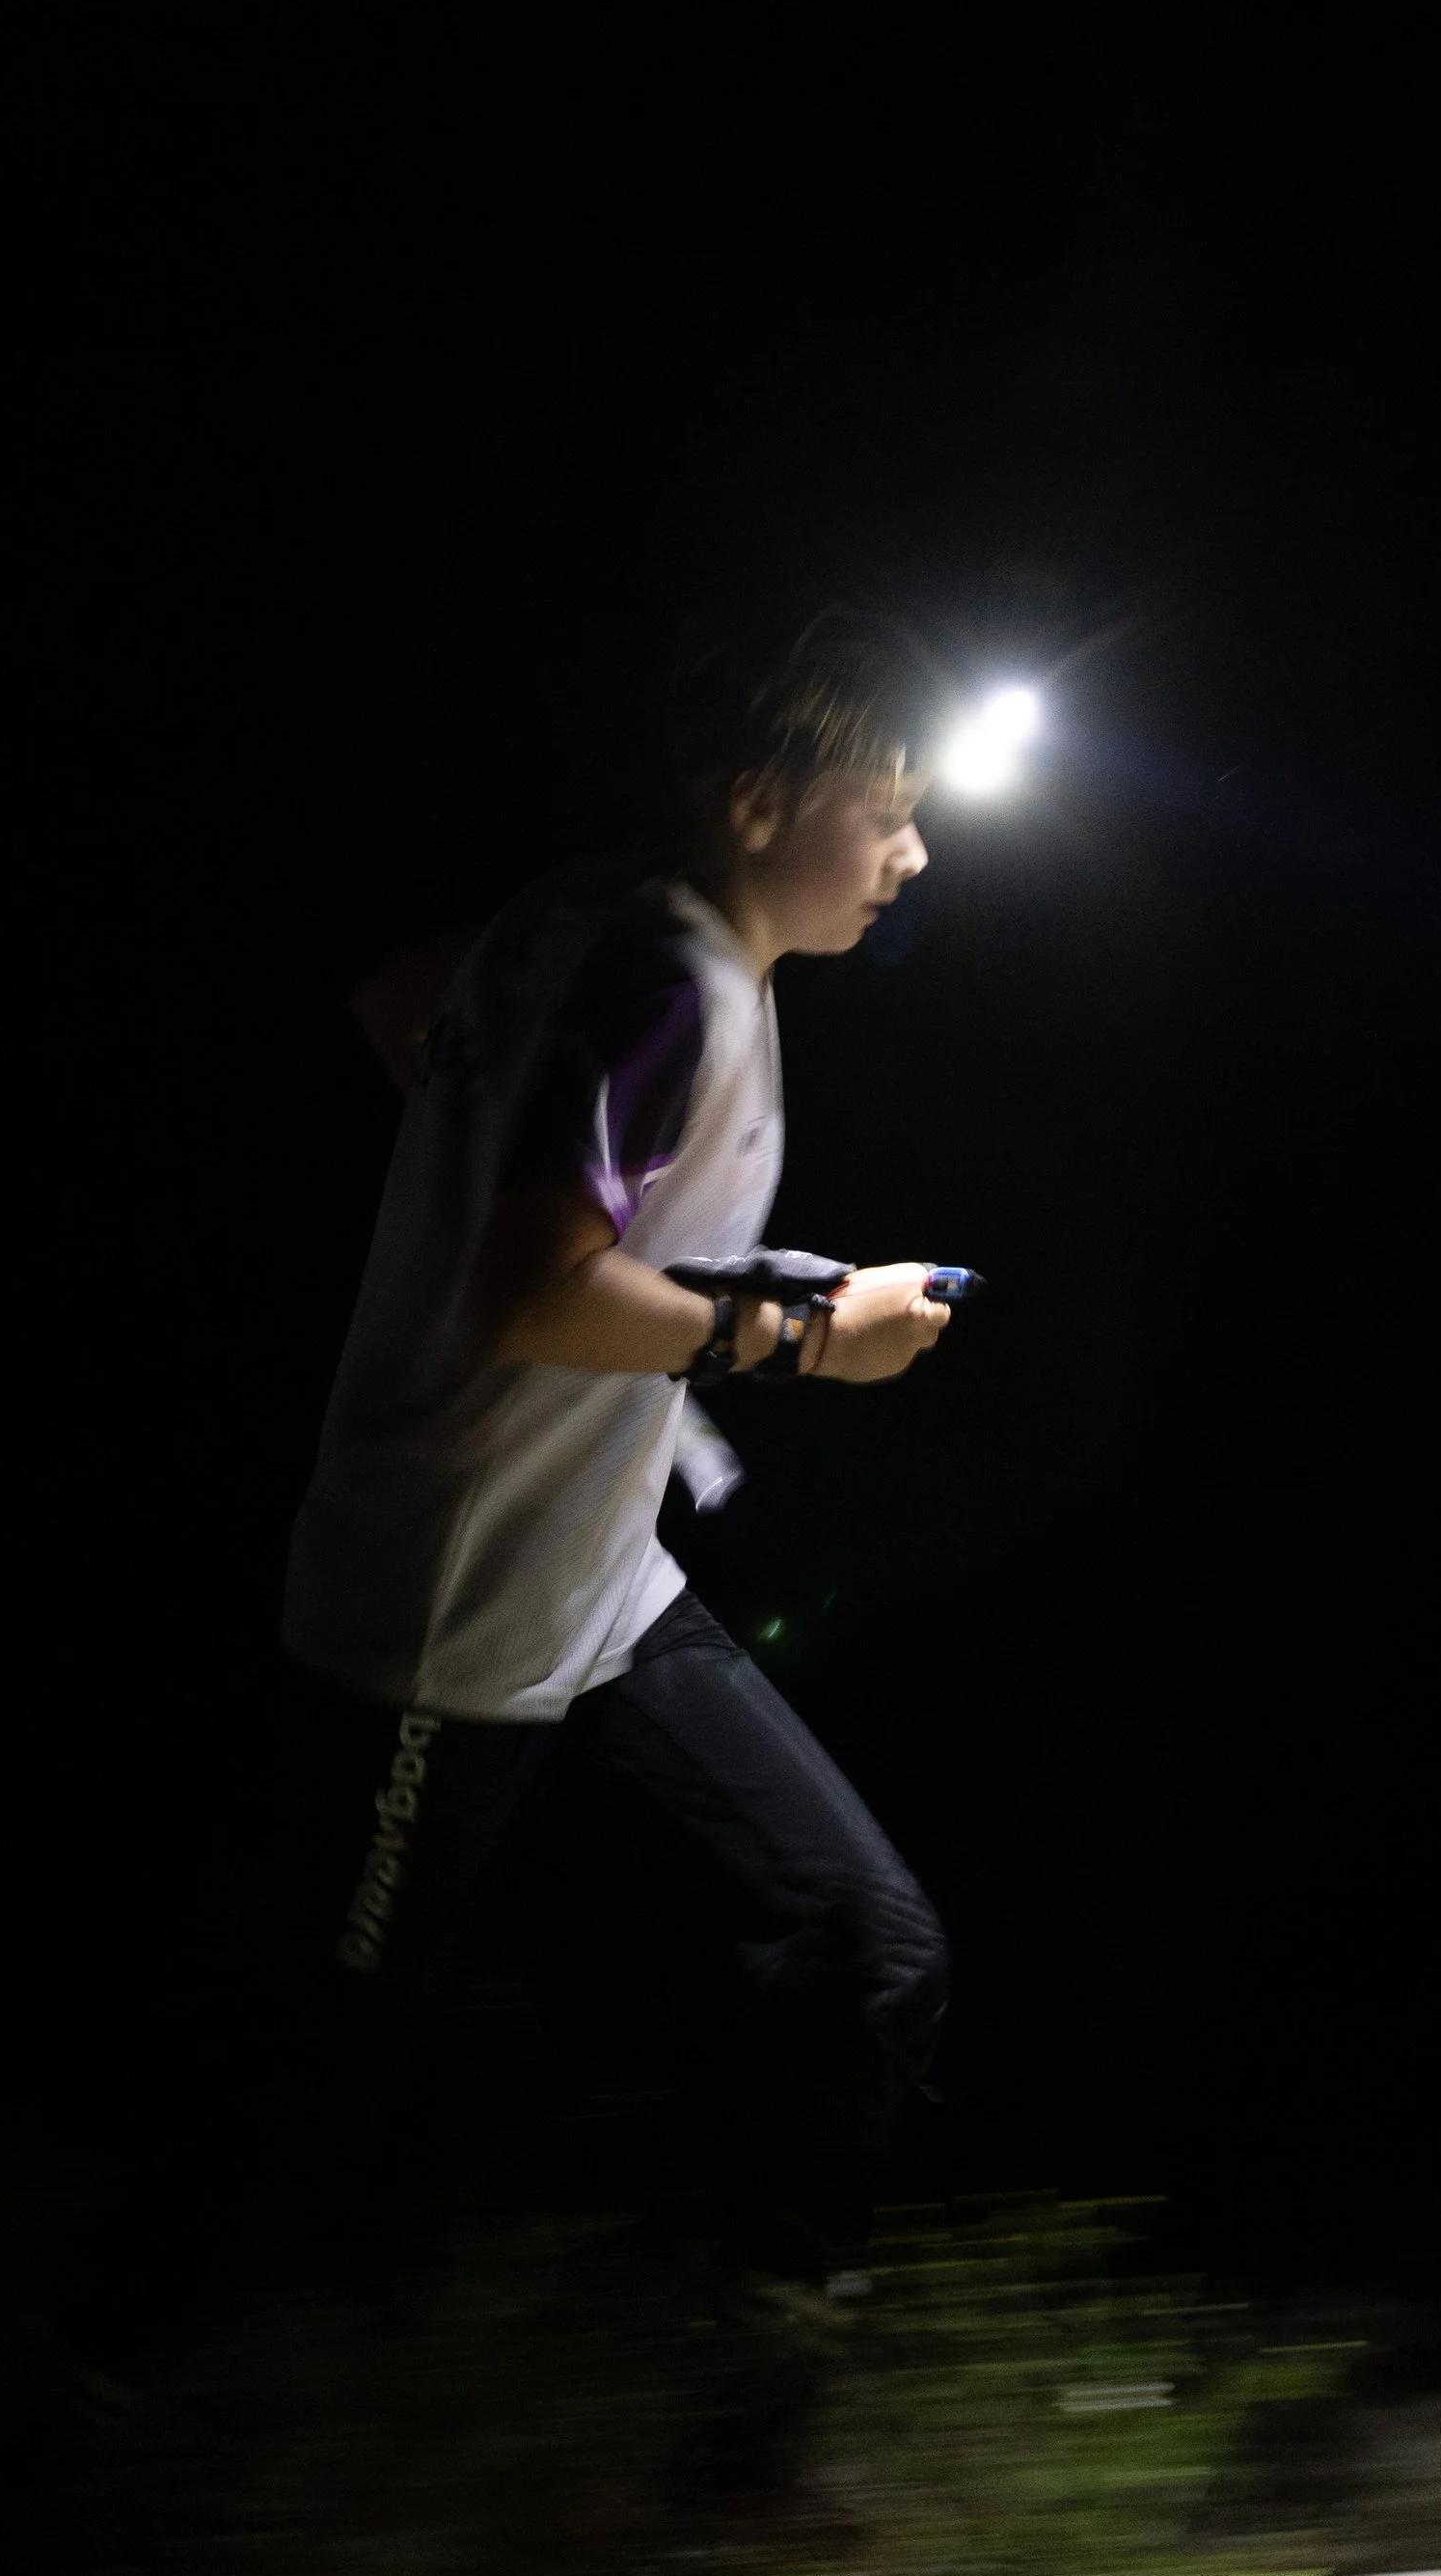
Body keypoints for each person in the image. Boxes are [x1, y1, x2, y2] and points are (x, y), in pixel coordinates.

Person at [271, 627, 957, 2325]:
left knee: (872, 1946)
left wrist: (724, 1274)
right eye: (884, 811)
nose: (913, 854)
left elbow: (410, 1002)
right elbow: (526, 1294)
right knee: (294, 2114)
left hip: (601, 1582)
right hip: (451, 1611)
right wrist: (811, 1344)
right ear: (753, 804)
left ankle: (755, 2437)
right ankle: (75, 2441)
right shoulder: (674, 984)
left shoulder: (604, 916)